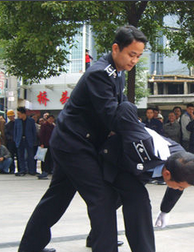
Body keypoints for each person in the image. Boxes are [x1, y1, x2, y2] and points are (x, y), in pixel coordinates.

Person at [18, 25, 148, 252]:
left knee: (56, 198)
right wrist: (140, 134)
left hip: (77, 142)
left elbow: (120, 109)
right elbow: (112, 115)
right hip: (74, 144)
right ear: (116, 48)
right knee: (103, 197)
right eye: (131, 54)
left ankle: (30, 247)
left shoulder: (116, 72)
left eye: (138, 56)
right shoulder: (100, 73)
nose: (134, 60)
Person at [87, 101, 194, 252]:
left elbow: (178, 185)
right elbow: (126, 109)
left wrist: (165, 210)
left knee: (115, 201)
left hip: (138, 169)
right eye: (180, 186)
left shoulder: (179, 159)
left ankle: (95, 236)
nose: (180, 189)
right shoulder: (143, 145)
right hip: (116, 161)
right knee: (139, 200)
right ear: (167, 174)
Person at [14, 107, 37, 176]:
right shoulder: (17, 121)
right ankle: (22, 170)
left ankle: (32, 170)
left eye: (19, 114)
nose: (18, 115)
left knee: (30, 156)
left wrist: (33, 140)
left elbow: (34, 131)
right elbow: (15, 131)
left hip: (28, 140)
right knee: (20, 156)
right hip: (20, 140)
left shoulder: (31, 120)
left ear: (23, 113)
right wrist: (16, 140)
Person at [38, 115, 55, 179]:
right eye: (50, 119)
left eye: (52, 119)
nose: (51, 120)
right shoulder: (44, 125)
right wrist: (41, 143)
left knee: (50, 158)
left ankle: (50, 170)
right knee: (45, 158)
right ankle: (44, 170)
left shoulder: (53, 126)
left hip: (51, 144)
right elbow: (41, 135)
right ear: (47, 119)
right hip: (45, 144)